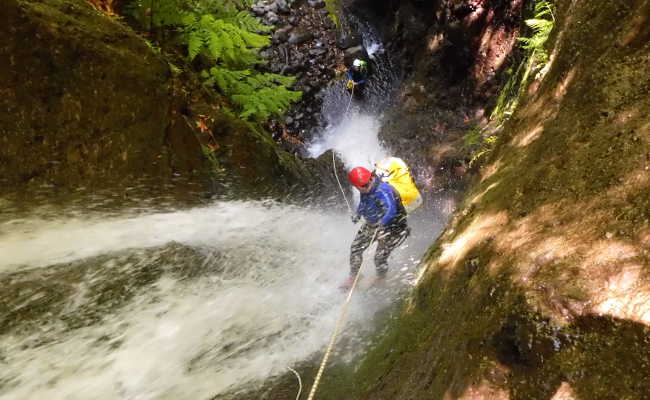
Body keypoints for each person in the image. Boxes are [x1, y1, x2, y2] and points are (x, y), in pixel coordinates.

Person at [341, 166, 409, 289]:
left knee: (379, 256)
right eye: (363, 186)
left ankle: (381, 278)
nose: (367, 187)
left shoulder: (383, 190)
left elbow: (391, 210)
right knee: (356, 248)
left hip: (394, 227)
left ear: (371, 177)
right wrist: (358, 214)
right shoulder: (365, 190)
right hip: (373, 224)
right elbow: (364, 203)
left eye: (368, 184)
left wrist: (381, 224)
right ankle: (354, 276)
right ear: (355, 186)